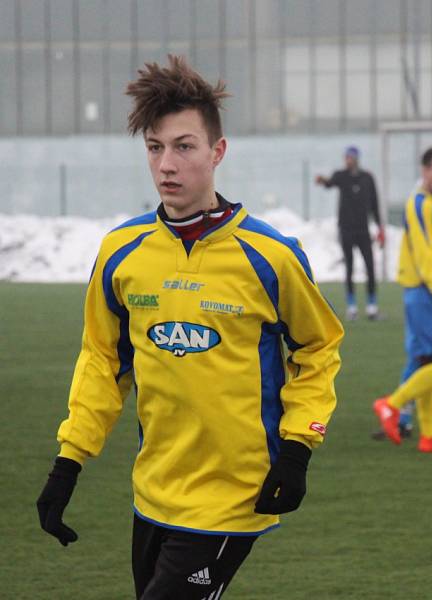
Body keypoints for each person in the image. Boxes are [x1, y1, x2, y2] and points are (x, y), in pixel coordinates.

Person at [36, 55, 344, 600]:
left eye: (184, 146)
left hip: (233, 497)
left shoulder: (271, 256)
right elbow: (103, 363)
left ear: (217, 151)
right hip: (152, 492)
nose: (166, 165)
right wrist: (69, 461)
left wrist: (297, 450)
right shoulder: (121, 252)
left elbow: (318, 349)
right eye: (155, 148)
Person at [372, 147, 432, 453]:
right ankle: (391, 404)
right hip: (427, 292)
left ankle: (429, 434)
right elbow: (427, 255)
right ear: (424, 171)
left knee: (430, 360)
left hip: (426, 290)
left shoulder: (431, 204)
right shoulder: (421, 204)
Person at [315, 146, 384, 321]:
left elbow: (375, 203)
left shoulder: (367, 178)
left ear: (357, 158)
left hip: (363, 230)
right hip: (346, 229)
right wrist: (322, 180)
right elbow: (330, 183)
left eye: (351, 157)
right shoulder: (341, 176)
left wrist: (380, 227)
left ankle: (371, 306)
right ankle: (352, 307)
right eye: (346, 157)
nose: (349, 160)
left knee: (370, 266)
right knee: (350, 267)